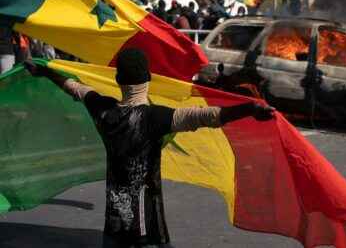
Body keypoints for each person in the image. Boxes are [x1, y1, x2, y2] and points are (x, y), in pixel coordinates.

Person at [24, 49, 274, 247]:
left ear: (118, 79)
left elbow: (74, 87)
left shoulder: (102, 110)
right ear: (148, 78)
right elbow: (207, 116)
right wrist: (250, 109)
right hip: (148, 226)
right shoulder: (156, 118)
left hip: (115, 223)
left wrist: (45, 71)